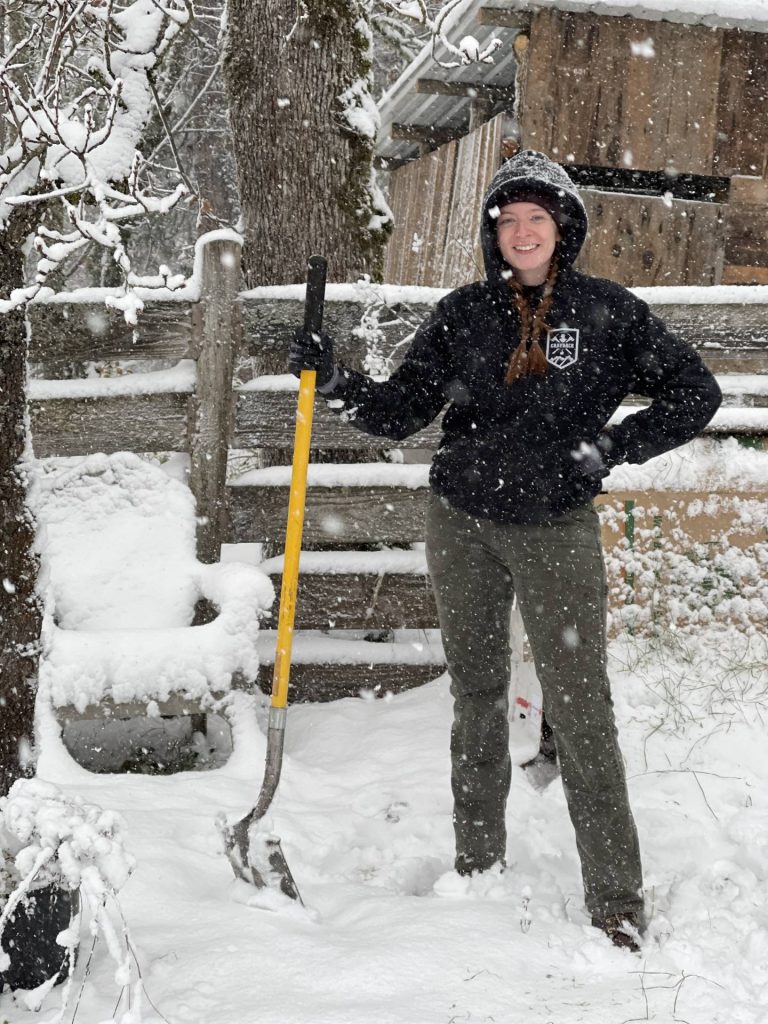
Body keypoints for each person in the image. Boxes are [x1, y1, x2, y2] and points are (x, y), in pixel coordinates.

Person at [288, 149, 722, 951]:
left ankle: (616, 897)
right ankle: (477, 860)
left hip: (556, 528)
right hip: (464, 524)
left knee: (582, 705)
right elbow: (400, 412)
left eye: (538, 218)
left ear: (563, 228)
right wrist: (340, 380)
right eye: (509, 219)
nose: (523, 232)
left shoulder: (608, 313)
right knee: (477, 692)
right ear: (495, 234)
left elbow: (699, 393)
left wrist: (614, 448)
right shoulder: (463, 314)